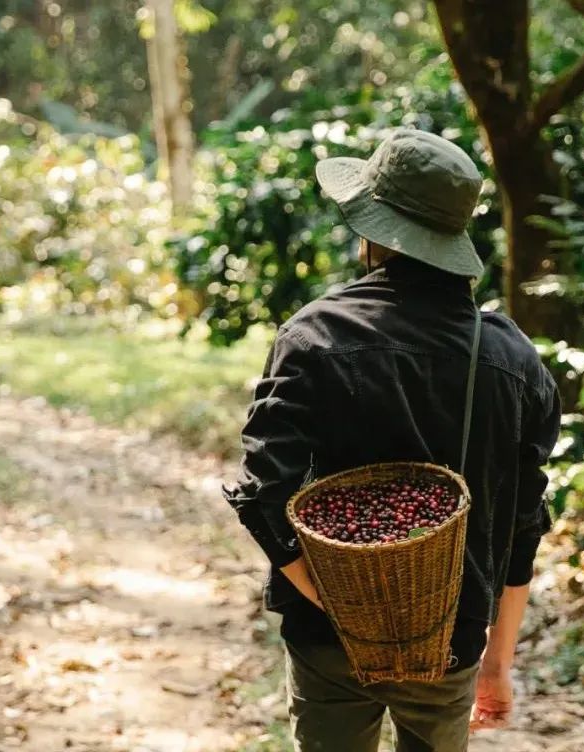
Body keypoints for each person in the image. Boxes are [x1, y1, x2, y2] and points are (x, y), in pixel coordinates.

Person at [224, 128, 561, 752]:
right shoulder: (512, 359)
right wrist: (497, 663)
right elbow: (523, 525)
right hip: (449, 633)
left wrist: (336, 599)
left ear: (373, 231)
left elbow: (262, 490)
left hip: (328, 637)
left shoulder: (315, 335)